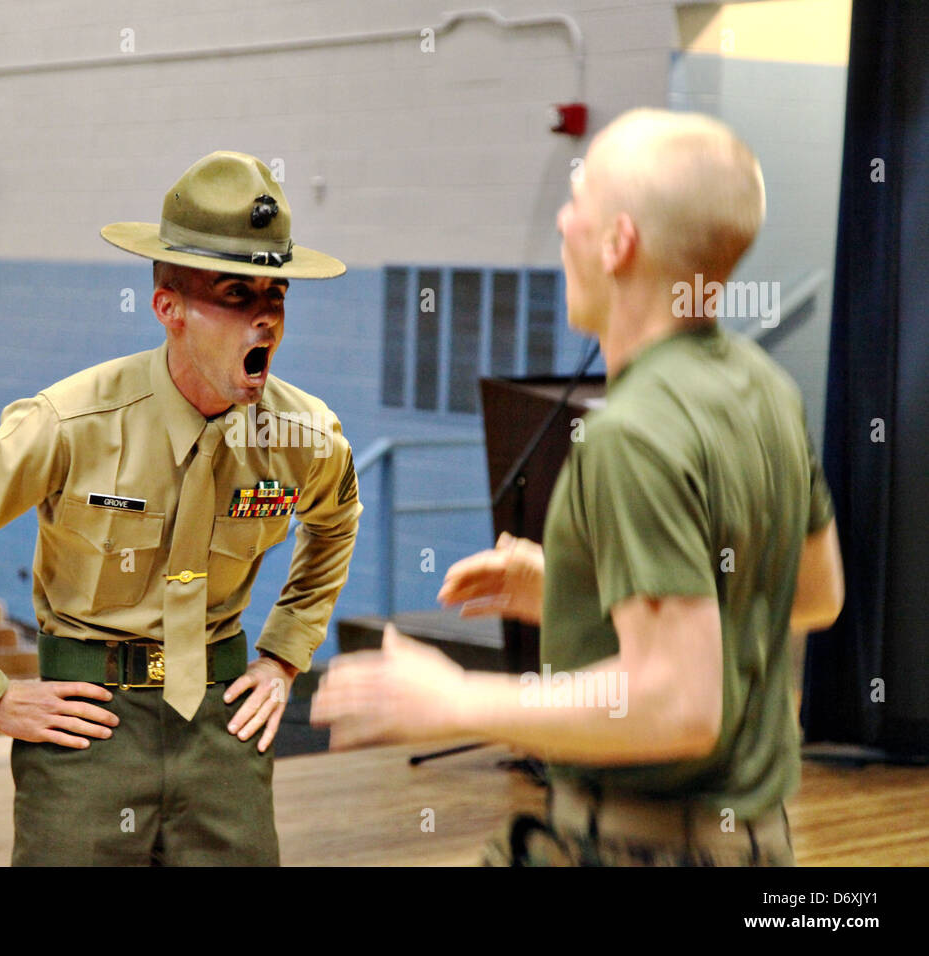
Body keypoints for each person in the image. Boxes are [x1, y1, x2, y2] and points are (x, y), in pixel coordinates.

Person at [312, 109, 845, 868]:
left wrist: (455, 701)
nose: (562, 222)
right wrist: (581, 590)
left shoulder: (631, 433)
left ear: (618, 240)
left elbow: (676, 705)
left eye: (578, 199)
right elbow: (812, 595)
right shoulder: (768, 391)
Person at [0, 150, 361, 865]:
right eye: (235, 296)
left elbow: (335, 523)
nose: (265, 321)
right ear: (169, 309)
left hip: (222, 724)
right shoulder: (69, 423)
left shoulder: (304, 436)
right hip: (88, 726)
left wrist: (283, 656)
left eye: (274, 297)